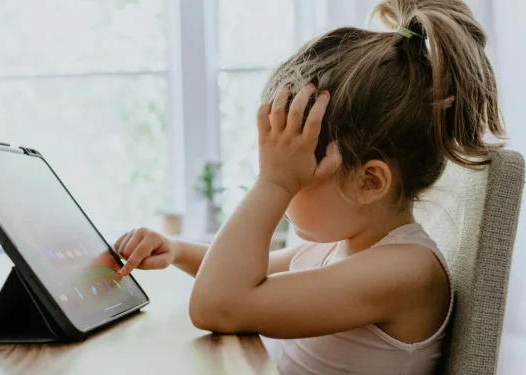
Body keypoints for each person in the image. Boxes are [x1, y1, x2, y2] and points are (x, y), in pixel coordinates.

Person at [113, 0, 503, 373]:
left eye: (296, 175)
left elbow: (218, 304)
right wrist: (178, 250)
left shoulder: (407, 270)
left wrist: (275, 181)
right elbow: (248, 272)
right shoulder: (338, 246)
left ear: (369, 182)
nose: (280, 195)